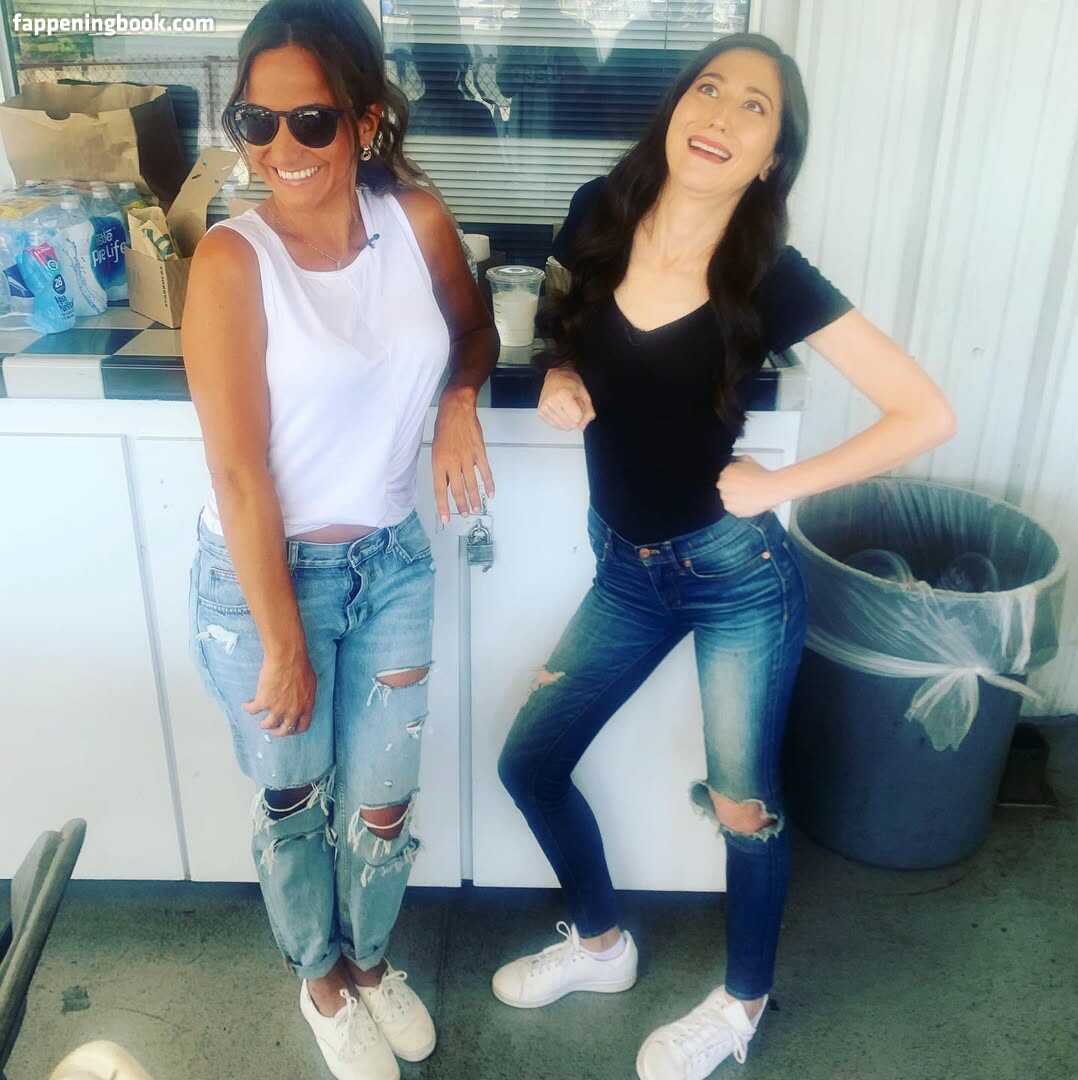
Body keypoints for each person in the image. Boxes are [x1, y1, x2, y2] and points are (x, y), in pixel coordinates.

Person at [491, 32, 956, 1080]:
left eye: (756, 107)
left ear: (772, 156)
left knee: (745, 808)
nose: (723, 114)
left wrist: (780, 485)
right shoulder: (599, 213)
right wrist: (562, 371)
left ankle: (741, 1006)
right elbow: (566, 313)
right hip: (626, 571)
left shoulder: (768, 276)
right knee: (530, 761)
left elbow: (926, 413)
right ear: (676, 108)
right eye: (710, 88)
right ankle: (601, 945)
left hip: (737, 576)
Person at [182, 2, 497, 1078]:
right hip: (265, 580)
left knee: (383, 798)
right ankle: (320, 981)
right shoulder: (232, 261)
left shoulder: (416, 222)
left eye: (310, 121)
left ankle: (368, 963)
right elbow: (238, 474)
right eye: (255, 122)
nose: (281, 148)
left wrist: (459, 398)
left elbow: (473, 330)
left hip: (392, 561)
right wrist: (282, 641)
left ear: (364, 122)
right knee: (295, 801)